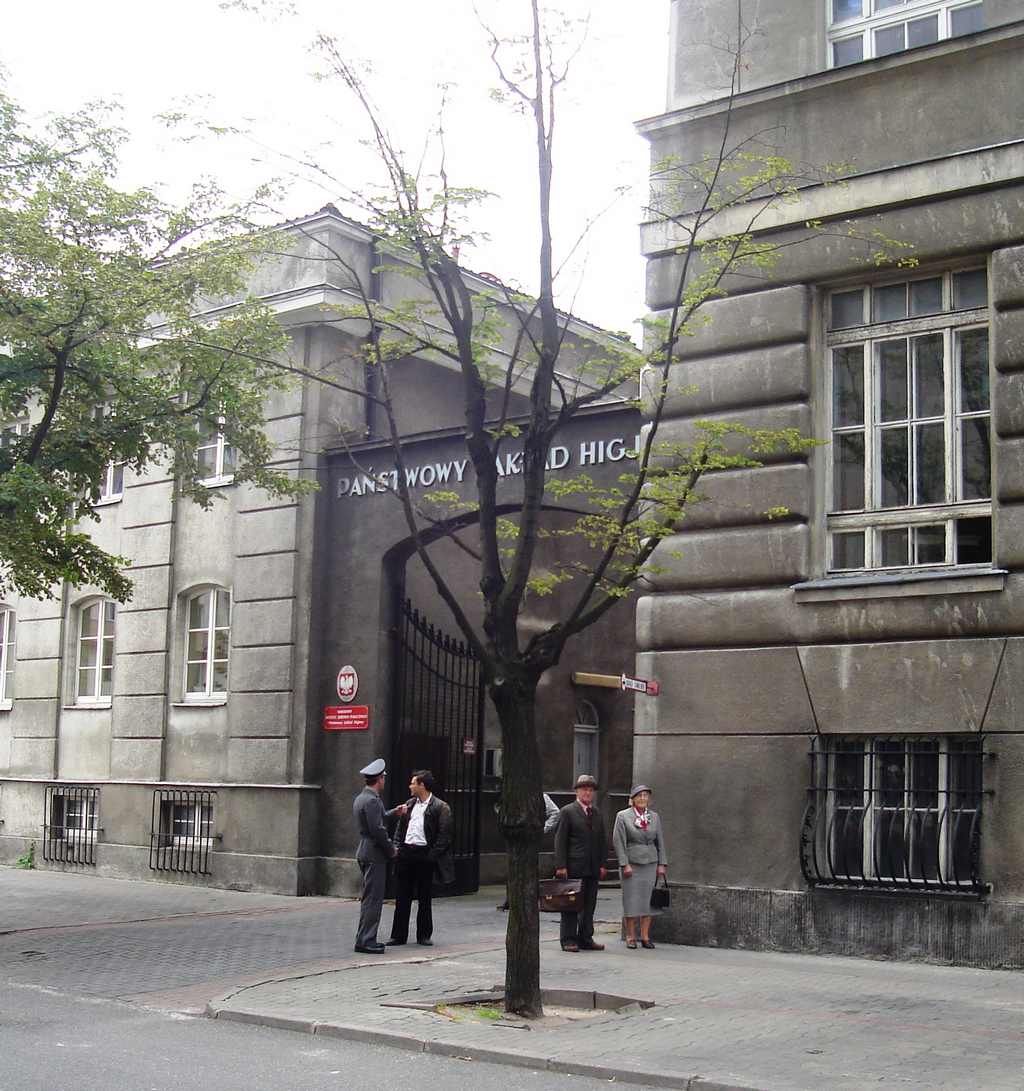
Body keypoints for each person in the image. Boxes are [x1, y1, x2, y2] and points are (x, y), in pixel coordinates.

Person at [386, 770, 454, 947]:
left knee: (424, 897)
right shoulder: (409, 804)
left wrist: (431, 856)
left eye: (413, 783)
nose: (410, 786)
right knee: (402, 896)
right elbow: (400, 829)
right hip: (406, 853)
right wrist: (398, 847)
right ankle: (398, 935)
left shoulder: (440, 807)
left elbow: (444, 836)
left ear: (422, 785)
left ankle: (424, 935)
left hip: (424, 854)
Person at [352, 758, 407, 955]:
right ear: (379, 779)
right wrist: (392, 849)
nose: (384, 781)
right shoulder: (372, 800)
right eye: (383, 778)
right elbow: (377, 829)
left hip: (365, 850)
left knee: (369, 898)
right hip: (374, 853)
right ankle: (367, 941)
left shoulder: (362, 798)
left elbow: (378, 817)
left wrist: (394, 812)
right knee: (373, 899)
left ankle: (363, 937)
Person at [553, 773, 608, 952]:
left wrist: (602, 864)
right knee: (571, 904)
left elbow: (602, 841)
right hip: (573, 867)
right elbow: (560, 840)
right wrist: (561, 866)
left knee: (589, 904)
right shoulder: (568, 811)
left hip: (592, 867)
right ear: (577, 791)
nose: (587, 793)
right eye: (584, 789)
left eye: (590, 790)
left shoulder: (597, 813)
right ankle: (568, 939)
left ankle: (585, 937)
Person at [613, 784, 668, 950]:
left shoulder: (654, 816)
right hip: (632, 864)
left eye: (645, 795)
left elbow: (660, 841)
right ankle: (630, 936)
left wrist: (662, 863)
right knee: (631, 901)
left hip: (651, 863)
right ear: (633, 799)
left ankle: (645, 936)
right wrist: (624, 864)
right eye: (639, 795)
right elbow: (618, 841)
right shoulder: (623, 816)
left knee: (648, 901)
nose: (643, 798)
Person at [495, 788, 561, 910]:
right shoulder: (508, 795)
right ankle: (512, 899)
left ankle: (531, 899)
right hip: (513, 837)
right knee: (512, 867)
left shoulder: (540, 796)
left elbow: (555, 813)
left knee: (529, 868)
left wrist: (543, 829)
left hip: (531, 838)